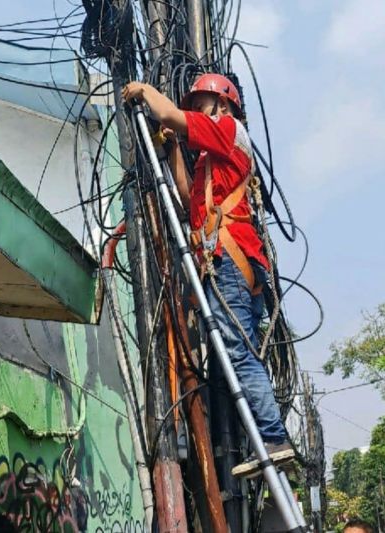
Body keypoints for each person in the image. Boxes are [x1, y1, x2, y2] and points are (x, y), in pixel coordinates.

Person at [122, 73, 293, 477]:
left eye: (201, 104)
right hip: (230, 262)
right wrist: (171, 150)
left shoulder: (229, 130)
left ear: (223, 105)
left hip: (230, 260)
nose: (195, 111)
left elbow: (168, 112)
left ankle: (273, 437)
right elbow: (187, 198)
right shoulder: (211, 162)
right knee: (237, 352)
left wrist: (144, 90)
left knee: (239, 352)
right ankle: (267, 438)